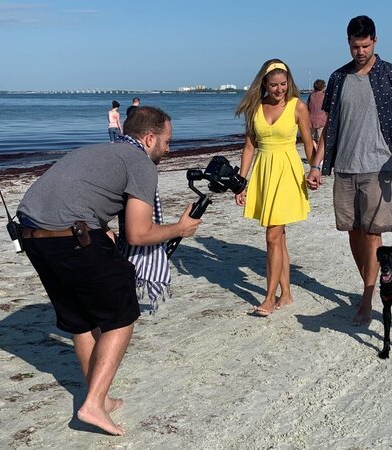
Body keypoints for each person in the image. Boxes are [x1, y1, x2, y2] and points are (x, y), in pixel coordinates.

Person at [16, 106, 202, 435]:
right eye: (167, 141)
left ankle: (96, 398)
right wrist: (179, 228)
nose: (169, 148)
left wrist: (100, 227)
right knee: (122, 316)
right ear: (149, 138)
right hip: (70, 236)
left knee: (82, 320)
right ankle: (93, 404)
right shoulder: (141, 163)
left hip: (30, 234)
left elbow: (82, 192)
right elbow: (139, 233)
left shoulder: (102, 150)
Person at [306, 15, 392, 325]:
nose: (360, 52)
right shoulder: (338, 78)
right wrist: (316, 165)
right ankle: (371, 286)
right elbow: (329, 129)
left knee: (372, 236)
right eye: (355, 46)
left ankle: (368, 299)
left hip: (378, 167)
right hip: (343, 167)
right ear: (348, 43)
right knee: (353, 233)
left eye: (366, 46)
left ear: (375, 41)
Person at [234, 59, 313, 317]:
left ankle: (268, 298)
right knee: (278, 237)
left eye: (283, 84)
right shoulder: (254, 108)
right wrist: (240, 182)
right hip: (264, 172)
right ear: (264, 84)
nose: (279, 89)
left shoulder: (298, 107)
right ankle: (286, 294)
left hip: (287, 173)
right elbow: (249, 148)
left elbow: (309, 146)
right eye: (274, 84)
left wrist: (316, 168)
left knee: (271, 236)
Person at [307, 79, 327, 149]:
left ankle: (315, 151)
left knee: (312, 138)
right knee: (320, 139)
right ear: (323, 87)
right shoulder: (325, 96)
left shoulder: (311, 96)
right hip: (322, 120)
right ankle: (319, 154)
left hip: (311, 120)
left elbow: (307, 107)